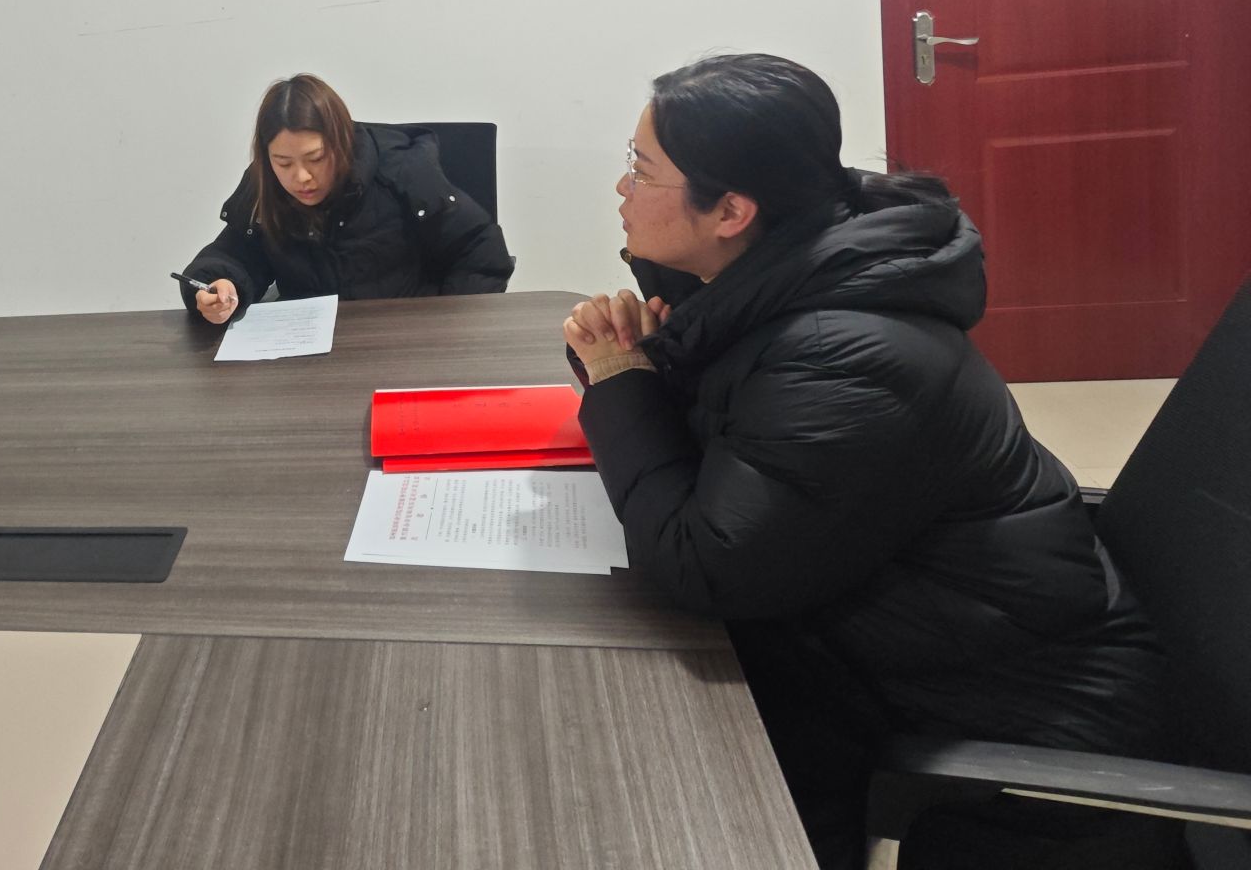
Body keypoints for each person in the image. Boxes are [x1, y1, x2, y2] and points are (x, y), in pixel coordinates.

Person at [564, 55, 1171, 870]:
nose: (622, 189)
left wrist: (622, 381)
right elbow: (731, 437)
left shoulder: (845, 357)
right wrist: (644, 363)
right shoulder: (773, 276)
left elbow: (709, 570)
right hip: (891, 645)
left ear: (733, 210)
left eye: (641, 171)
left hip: (1022, 734)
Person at [180, 73, 513, 323]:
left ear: (341, 143)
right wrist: (218, 285)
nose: (301, 177)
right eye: (283, 162)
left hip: (405, 341)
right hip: (309, 352)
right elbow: (236, 253)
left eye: (315, 158)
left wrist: (446, 325)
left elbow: (479, 248)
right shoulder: (266, 185)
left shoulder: (400, 170)